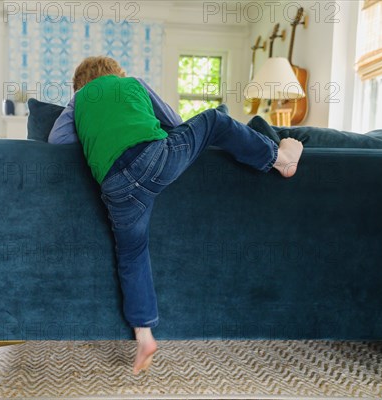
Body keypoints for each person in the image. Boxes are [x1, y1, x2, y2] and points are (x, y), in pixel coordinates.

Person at [48, 56, 303, 375]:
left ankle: (144, 336)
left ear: (79, 86)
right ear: (117, 74)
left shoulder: (77, 102)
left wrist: (90, 127)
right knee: (214, 120)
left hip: (114, 184)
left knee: (131, 255)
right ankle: (280, 158)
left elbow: (56, 141)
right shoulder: (133, 83)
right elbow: (173, 120)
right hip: (155, 159)